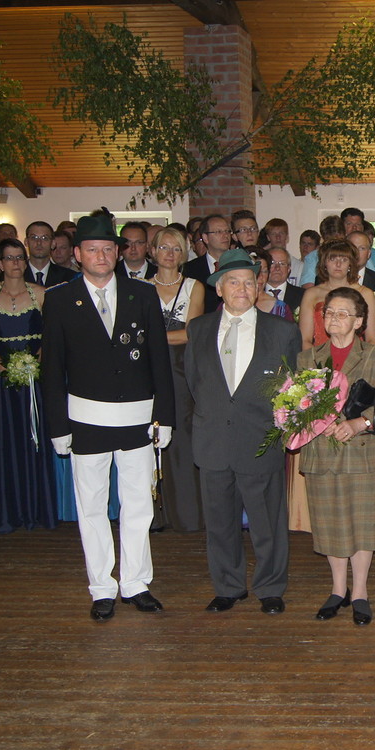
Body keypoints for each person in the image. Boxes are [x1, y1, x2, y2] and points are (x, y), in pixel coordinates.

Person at [41, 210, 174, 622]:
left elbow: (159, 361)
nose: (101, 256)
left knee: (138, 505)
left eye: (107, 249)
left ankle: (136, 583)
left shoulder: (143, 294)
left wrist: (165, 417)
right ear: (78, 254)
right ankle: (102, 586)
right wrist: (58, 426)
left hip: (137, 417)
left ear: (118, 253)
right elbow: (52, 368)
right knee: (92, 507)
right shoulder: (59, 299)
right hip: (86, 419)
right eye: (92, 249)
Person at [186, 249, 302, 615]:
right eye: (233, 282)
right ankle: (228, 586)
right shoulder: (198, 329)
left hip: (260, 440)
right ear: (219, 288)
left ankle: (270, 587)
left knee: (268, 523)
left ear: (258, 286)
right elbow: (195, 382)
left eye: (249, 282)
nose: (242, 288)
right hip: (213, 440)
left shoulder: (282, 331)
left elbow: (292, 388)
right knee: (220, 523)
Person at [297, 286, 375, 624]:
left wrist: (361, 423)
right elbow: (296, 407)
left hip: (360, 452)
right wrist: (311, 422)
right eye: (329, 313)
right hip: (320, 453)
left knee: (362, 525)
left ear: (358, 321)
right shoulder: (307, 359)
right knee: (328, 525)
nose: (333, 318)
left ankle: (360, 593)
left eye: (342, 313)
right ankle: (338, 589)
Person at [0, 237, 57, 532]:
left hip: (34, 379)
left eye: (20, 257)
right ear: (0, 263)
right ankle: (4, 510)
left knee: (34, 441)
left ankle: (35, 509)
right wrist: (0, 367)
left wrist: (34, 366)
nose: (16, 263)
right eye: (9, 258)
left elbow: (50, 336)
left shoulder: (41, 293)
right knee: (1, 442)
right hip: (0, 381)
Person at [149, 226, 205, 533]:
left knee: (182, 437)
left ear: (183, 253)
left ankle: (187, 513)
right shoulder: (141, 287)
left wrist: (151, 338)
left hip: (182, 369)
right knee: (148, 438)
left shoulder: (194, 286)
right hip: (147, 370)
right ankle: (156, 514)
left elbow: (190, 333)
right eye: (163, 247)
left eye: (175, 248)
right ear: (153, 251)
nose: (169, 254)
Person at [298, 239, 375, 347]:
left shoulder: (365, 293)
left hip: (357, 355)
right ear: (324, 263)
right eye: (332, 259)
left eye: (344, 260)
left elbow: (372, 339)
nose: (338, 264)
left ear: (350, 264)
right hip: (318, 355)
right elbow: (305, 340)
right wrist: (317, 358)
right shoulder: (311, 294)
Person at [182, 214, 233, 312]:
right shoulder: (189, 269)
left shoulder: (239, 264)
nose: (225, 235)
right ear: (205, 238)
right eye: (219, 232)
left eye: (227, 231)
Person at [22, 221, 78, 288]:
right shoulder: (15, 275)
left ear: (53, 243)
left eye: (44, 238)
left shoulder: (70, 277)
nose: (39, 243)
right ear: (26, 242)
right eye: (34, 238)